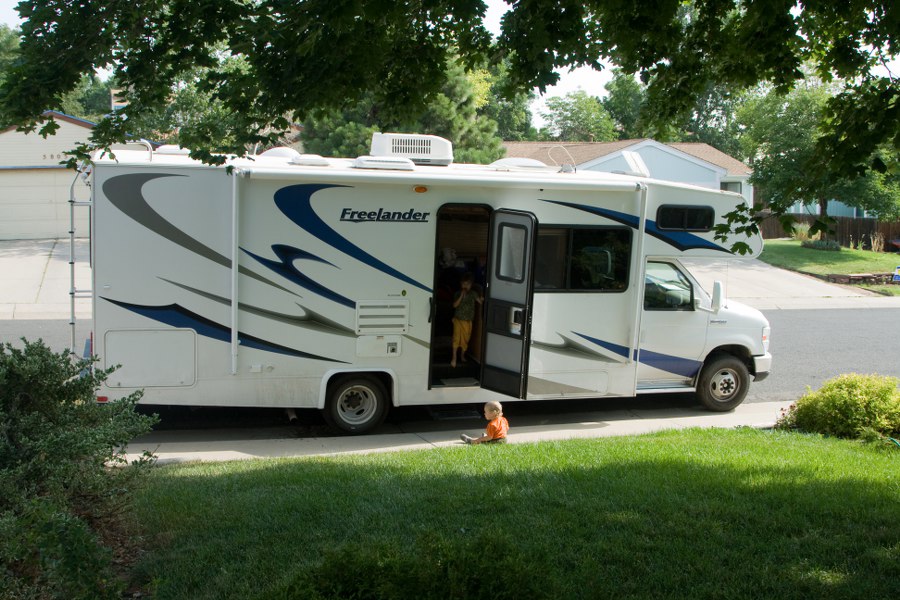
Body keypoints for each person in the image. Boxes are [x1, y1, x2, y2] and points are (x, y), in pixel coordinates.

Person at [450, 272, 483, 368]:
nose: (465, 286)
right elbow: (454, 305)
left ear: (471, 285)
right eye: (463, 284)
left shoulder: (473, 293)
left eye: (467, 284)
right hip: (458, 320)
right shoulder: (457, 293)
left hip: (468, 321)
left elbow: (479, 301)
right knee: (456, 338)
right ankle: (454, 358)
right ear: (461, 284)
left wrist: (482, 298)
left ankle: (462, 355)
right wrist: (461, 296)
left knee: (466, 339)